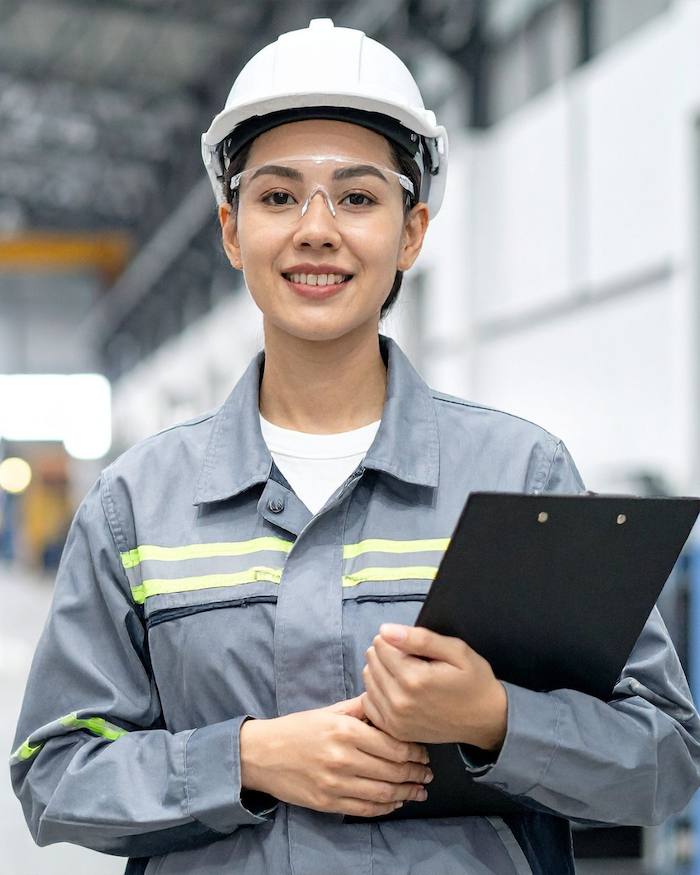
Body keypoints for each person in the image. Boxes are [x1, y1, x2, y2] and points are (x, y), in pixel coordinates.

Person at [10, 18, 700, 875]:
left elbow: (663, 759)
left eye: (359, 196)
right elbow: (53, 772)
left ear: (410, 233)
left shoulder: (521, 473)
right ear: (231, 231)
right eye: (276, 195)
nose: (316, 228)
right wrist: (250, 758)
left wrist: (494, 716)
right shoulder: (138, 502)